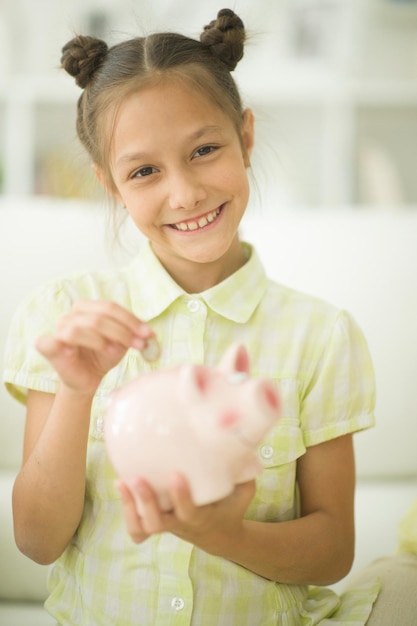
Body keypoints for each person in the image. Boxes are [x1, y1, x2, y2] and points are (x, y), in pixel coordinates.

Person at [3, 8, 380, 625]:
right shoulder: (61, 318)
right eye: (144, 171)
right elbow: (36, 540)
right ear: (110, 184)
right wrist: (76, 391)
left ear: (246, 138)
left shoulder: (321, 336)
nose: (184, 193)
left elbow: (333, 552)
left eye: (204, 150)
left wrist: (217, 532)